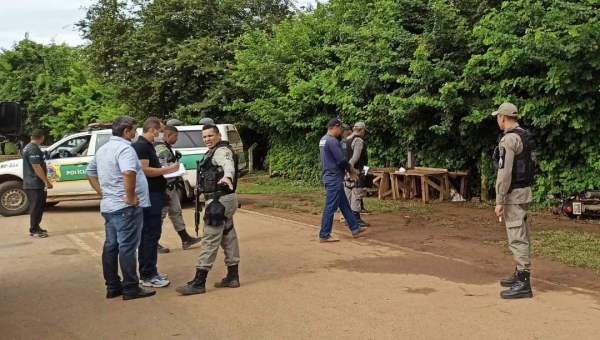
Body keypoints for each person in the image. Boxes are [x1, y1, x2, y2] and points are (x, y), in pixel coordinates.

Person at [86, 116, 156, 301]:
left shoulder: (104, 149)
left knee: (111, 246)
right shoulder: (125, 149)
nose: (136, 133)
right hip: (125, 207)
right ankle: (131, 287)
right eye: (134, 129)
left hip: (110, 205)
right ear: (126, 131)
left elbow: (90, 172)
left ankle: (113, 286)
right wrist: (131, 198)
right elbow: (128, 172)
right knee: (127, 248)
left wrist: (103, 192)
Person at [176, 124, 241, 296]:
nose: (207, 139)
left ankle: (199, 281)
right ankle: (233, 276)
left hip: (219, 201)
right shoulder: (213, 151)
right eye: (204, 137)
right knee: (228, 236)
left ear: (218, 136)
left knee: (210, 238)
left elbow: (228, 165)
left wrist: (227, 176)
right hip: (222, 199)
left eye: (210, 136)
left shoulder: (221, 151)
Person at [492, 102, 535, 299]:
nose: (497, 120)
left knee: (517, 237)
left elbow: (504, 172)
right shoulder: (524, 136)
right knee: (521, 234)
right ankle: (519, 274)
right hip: (524, 192)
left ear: (502, 117)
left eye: (498, 117)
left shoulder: (508, 140)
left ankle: (523, 283)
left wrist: (499, 199)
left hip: (513, 195)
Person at [132, 118, 180, 288]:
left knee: (151, 234)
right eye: (159, 131)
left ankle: (150, 270)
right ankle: (147, 274)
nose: (161, 135)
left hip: (155, 194)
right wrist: (168, 170)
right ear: (152, 130)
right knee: (149, 235)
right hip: (150, 195)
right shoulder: (142, 146)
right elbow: (144, 170)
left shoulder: (147, 146)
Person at [318, 118, 368, 243]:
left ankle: (355, 228)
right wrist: (349, 169)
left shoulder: (323, 140)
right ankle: (324, 235)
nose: (341, 131)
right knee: (330, 207)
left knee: (344, 205)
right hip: (334, 178)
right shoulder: (332, 141)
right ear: (335, 127)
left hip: (329, 176)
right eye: (340, 128)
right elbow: (340, 160)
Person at [154, 125, 201, 251]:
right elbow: (164, 166)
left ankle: (185, 239)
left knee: (176, 211)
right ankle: (153, 243)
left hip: (171, 186)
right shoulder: (161, 148)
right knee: (160, 215)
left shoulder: (165, 147)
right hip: (163, 187)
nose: (176, 139)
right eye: (176, 136)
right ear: (169, 135)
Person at [22, 129, 53, 238]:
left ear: (31, 137)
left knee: (38, 206)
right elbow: (36, 167)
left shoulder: (28, 147)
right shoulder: (33, 149)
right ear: (42, 138)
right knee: (36, 207)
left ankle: (36, 226)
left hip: (34, 182)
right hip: (34, 183)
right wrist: (46, 181)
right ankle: (34, 230)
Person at [342, 122, 370, 227]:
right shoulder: (358, 140)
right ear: (361, 130)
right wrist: (351, 167)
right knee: (357, 194)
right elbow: (356, 157)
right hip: (356, 170)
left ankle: (346, 218)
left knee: (348, 193)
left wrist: (346, 168)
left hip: (346, 170)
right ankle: (356, 218)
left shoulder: (346, 139)